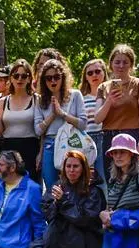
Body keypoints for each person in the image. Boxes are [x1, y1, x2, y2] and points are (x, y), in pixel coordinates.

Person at [34, 59, 87, 190]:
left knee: (74, 184)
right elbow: (38, 131)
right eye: (48, 78)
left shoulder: (75, 95)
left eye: (57, 77)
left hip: (72, 143)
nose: (53, 81)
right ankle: (55, 210)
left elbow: (83, 124)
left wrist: (62, 114)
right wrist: (53, 115)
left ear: (63, 77)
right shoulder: (40, 100)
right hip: (50, 144)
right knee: (52, 186)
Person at [94, 44, 139, 165]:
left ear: (131, 64)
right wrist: (109, 100)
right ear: (111, 64)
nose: (121, 66)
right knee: (112, 179)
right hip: (109, 138)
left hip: (132, 136)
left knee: (132, 178)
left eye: (125, 62)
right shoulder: (103, 87)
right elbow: (97, 119)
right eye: (117, 62)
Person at [0, 59, 40, 183]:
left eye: (24, 76)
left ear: (29, 79)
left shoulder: (36, 100)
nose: (20, 79)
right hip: (8, 148)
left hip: (31, 148)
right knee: (8, 188)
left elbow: (42, 130)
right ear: (11, 78)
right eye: (16, 75)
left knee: (30, 188)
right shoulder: (3, 101)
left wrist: (41, 153)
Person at [78, 59, 107, 183]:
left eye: (97, 71)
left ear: (104, 73)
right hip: (86, 139)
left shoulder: (111, 96)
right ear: (85, 77)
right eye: (90, 73)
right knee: (85, 178)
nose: (94, 75)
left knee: (103, 176)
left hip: (104, 137)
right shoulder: (81, 98)